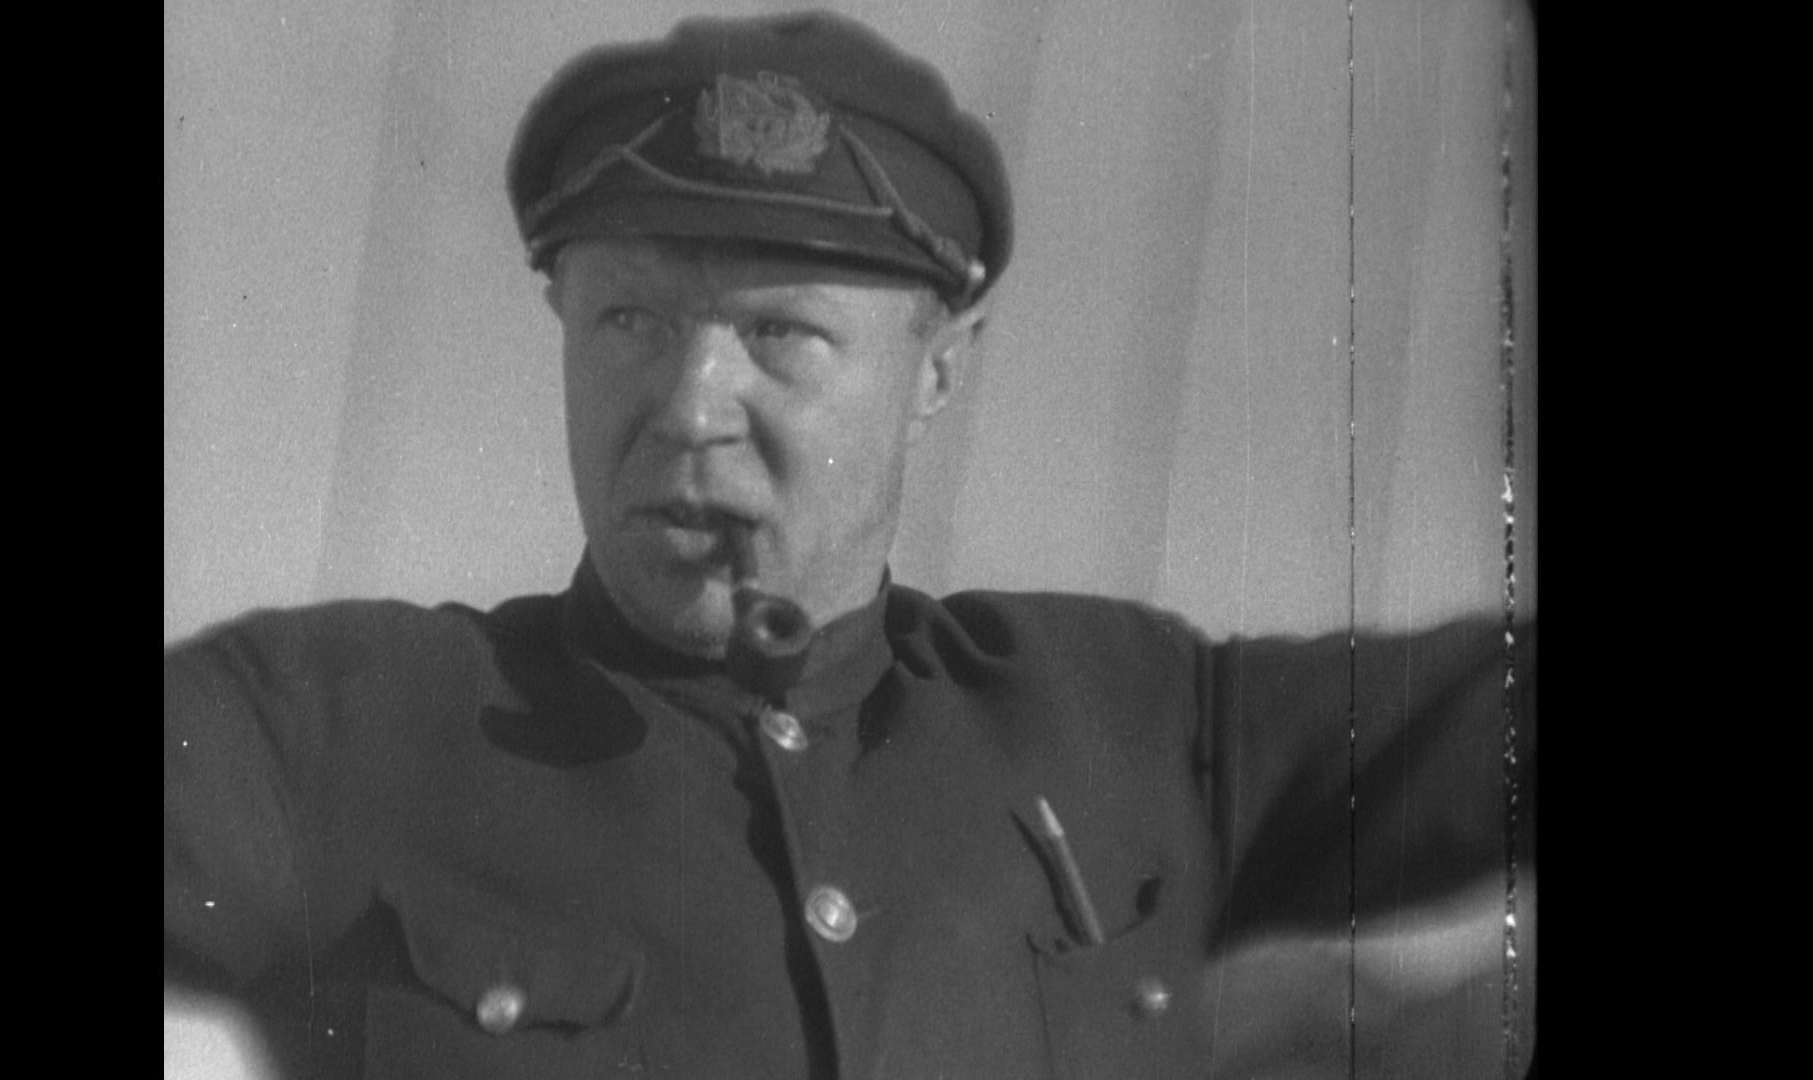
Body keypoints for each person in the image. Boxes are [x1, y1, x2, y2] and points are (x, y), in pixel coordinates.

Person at [165, 10, 1534, 1078]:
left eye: (781, 333)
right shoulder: (319, 735)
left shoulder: (1128, 717)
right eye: (630, 320)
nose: (689, 406)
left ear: (936, 369)